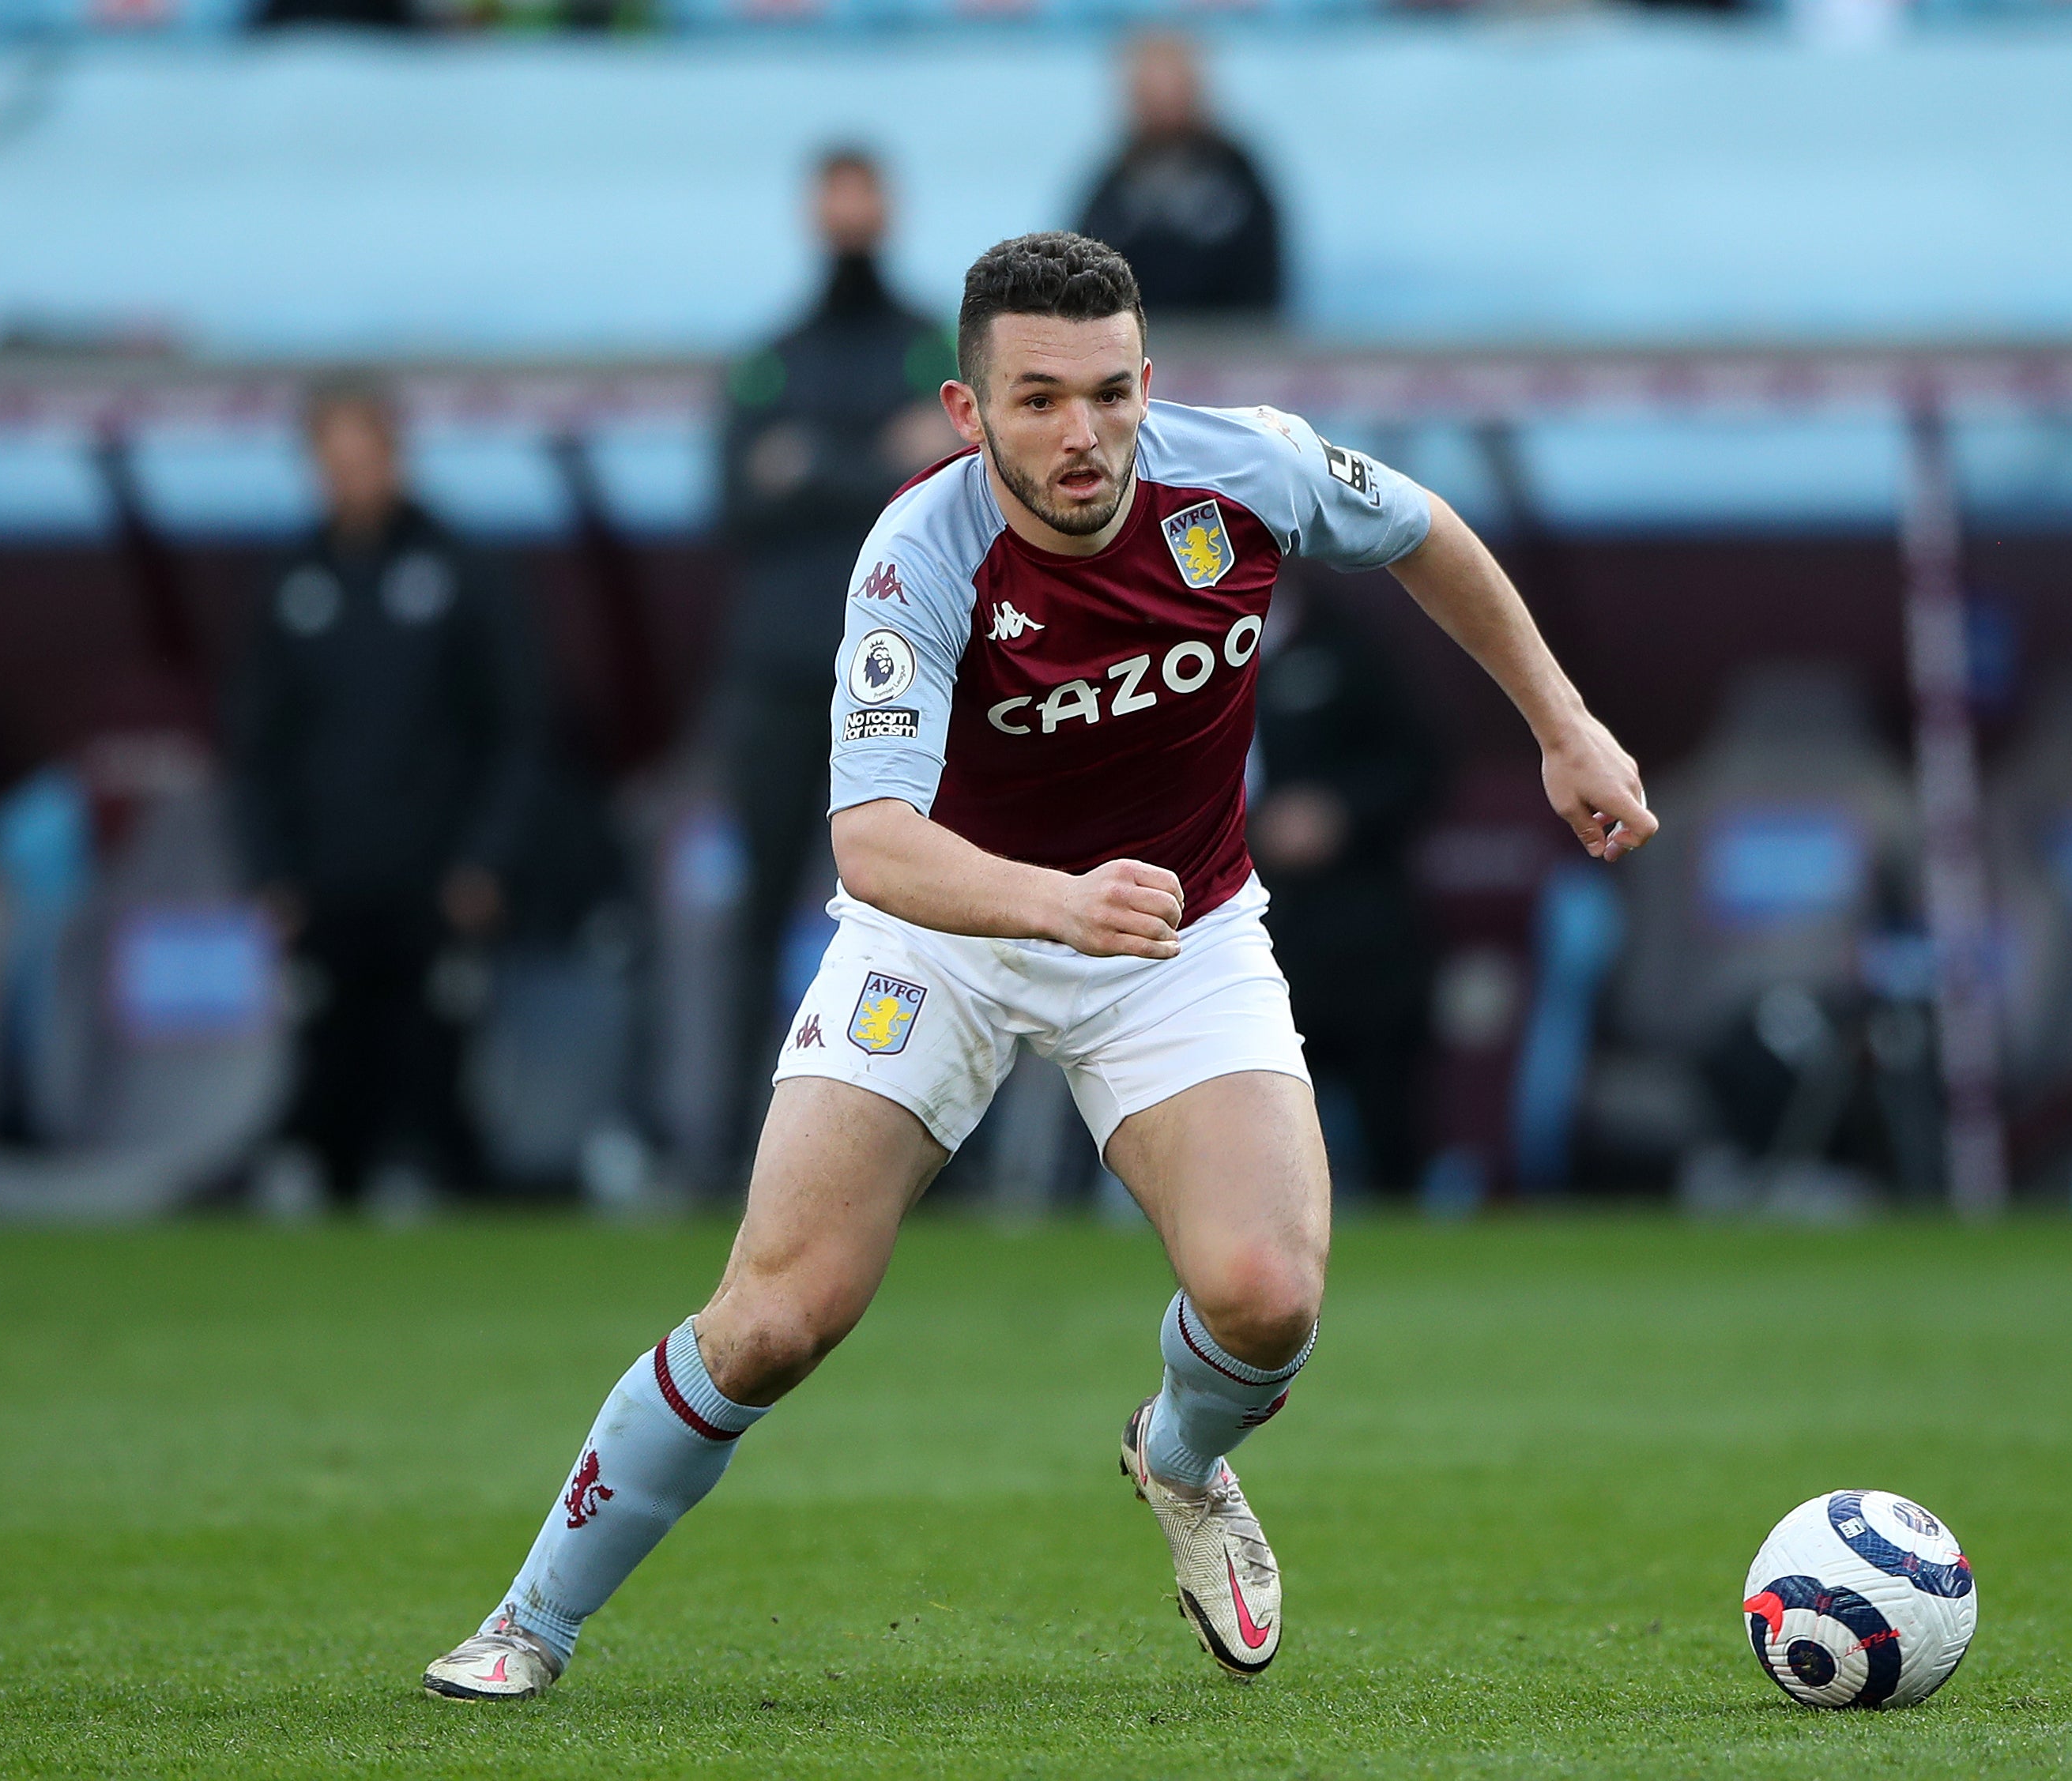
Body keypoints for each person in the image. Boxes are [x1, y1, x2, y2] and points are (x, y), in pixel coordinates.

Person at [420, 232, 1653, 1700]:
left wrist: (1562, 722)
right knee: (771, 1318)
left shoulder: (1244, 469)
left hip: (1173, 932)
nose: (1084, 434)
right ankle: (530, 1620)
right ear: (966, 411)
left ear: (1151, 382)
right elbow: (872, 840)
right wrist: (1053, 903)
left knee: (1267, 1293)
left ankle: (1179, 1457)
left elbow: (1424, 531)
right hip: (943, 932)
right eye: (1039, 399)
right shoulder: (917, 550)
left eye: (1112, 393)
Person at [227, 378, 546, 1211]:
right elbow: (255, 745)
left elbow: (515, 728)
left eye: (366, 457)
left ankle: (445, 1192)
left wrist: (486, 856)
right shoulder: (291, 581)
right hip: (326, 879)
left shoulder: (461, 570)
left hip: (435, 876)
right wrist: (268, 869)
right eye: (335, 461)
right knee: (330, 1058)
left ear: (396, 456)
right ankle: (325, 1190)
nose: (352, 477)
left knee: (434, 1061)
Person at [716, 147, 955, 1174]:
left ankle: (934, 1147)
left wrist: (808, 460)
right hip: (777, 675)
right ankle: (734, 1145)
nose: (850, 212)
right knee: (759, 908)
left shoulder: (926, 348)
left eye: (867, 191)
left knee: (926, 914)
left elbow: (954, 480)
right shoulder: (768, 354)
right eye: (835, 192)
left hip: (906, 673)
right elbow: (732, 502)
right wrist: (872, 460)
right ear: (813, 206)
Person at [1251, 577, 1437, 1191]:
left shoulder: (1345, 647)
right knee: (1257, 1107)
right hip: (1234, 920)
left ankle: (1404, 1227)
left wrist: (1339, 812)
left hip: (1352, 924)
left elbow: (1421, 763)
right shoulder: (1168, 646)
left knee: (1381, 1103)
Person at [1075, 34, 1283, 318]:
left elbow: (1264, 276)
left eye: (1173, 90)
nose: (1163, 105)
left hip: (1229, 346)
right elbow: (1080, 281)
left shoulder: (1237, 178)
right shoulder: (1113, 186)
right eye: (1151, 94)